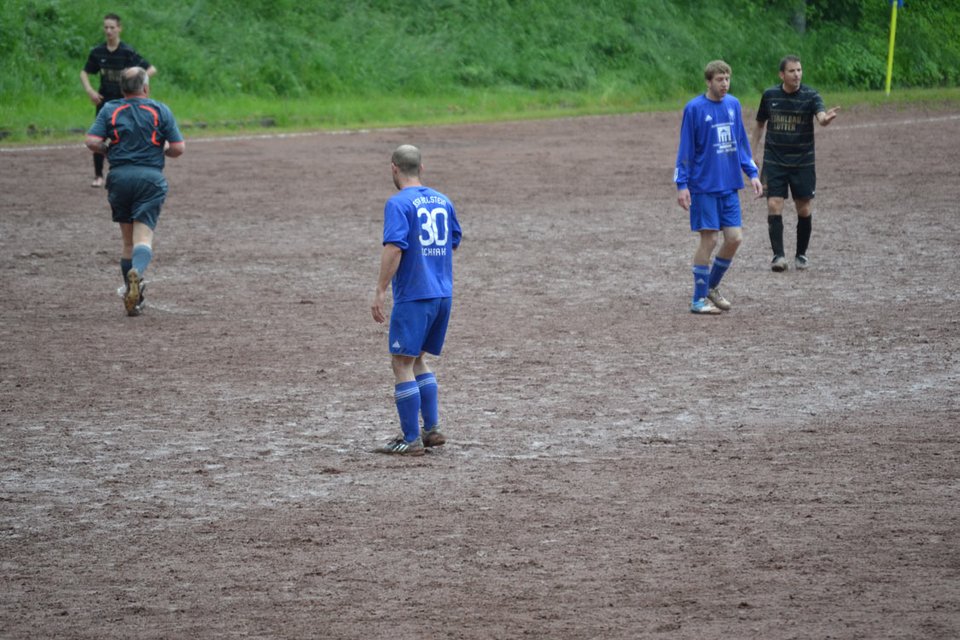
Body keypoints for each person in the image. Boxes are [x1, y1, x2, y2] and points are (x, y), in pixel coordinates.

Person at [371, 145, 462, 456]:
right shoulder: (443, 200)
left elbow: (394, 248)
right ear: (421, 169)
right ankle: (432, 428)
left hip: (415, 296)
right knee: (418, 359)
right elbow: (453, 241)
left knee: (401, 362)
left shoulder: (398, 204)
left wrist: (381, 289)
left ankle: (410, 439)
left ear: (394, 168)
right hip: (442, 294)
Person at [85, 67, 185, 317]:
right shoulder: (160, 109)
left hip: (119, 178)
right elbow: (178, 148)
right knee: (143, 239)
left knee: (127, 243)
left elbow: (91, 141)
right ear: (146, 88)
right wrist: (160, 150)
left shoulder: (110, 109)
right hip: (150, 179)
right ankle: (137, 274)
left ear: (122, 89)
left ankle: (135, 298)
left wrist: (109, 150)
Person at [674, 60, 763, 314]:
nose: (725, 84)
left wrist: (752, 174)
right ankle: (698, 300)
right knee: (710, 239)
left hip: (729, 186)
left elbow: (741, 144)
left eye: (727, 79)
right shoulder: (694, 109)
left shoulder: (733, 105)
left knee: (734, 238)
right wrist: (682, 184)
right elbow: (685, 149)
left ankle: (710, 287)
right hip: (703, 186)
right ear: (708, 81)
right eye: (719, 80)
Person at [751, 55, 840, 272]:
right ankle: (778, 256)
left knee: (804, 208)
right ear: (782, 74)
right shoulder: (770, 95)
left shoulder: (811, 96)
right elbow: (760, 124)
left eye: (799, 70)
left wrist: (824, 119)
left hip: (802, 162)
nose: (797, 74)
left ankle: (801, 254)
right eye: (792, 71)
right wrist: (751, 153)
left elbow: (820, 115)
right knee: (773, 204)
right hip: (774, 160)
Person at [80, 13, 157, 188]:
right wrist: (90, 90)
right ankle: (99, 175)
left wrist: (135, 84)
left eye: (112, 27)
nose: (108, 31)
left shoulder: (127, 52)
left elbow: (151, 69)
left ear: (119, 28)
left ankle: (128, 172)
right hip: (105, 103)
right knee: (99, 137)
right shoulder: (98, 52)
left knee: (128, 135)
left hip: (126, 103)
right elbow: (84, 72)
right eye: (106, 27)